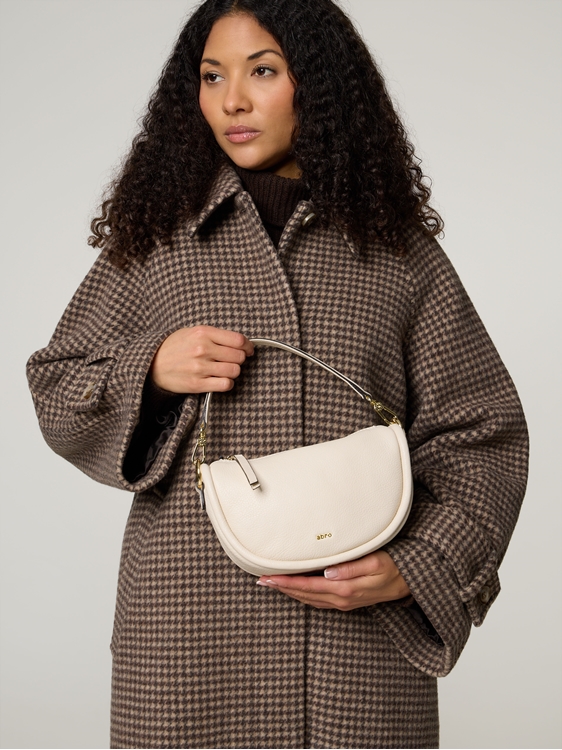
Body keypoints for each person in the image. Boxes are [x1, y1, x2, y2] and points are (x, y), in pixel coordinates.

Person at [26, 0, 529, 747]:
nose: (232, 100)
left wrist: (417, 565)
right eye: (212, 76)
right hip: (186, 638)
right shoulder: (157, 239)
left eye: (262, 71)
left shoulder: (397, 252)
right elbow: (58, 383)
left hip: (355, 649)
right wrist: (151, 370)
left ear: (317, 85)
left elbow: (483, 434)